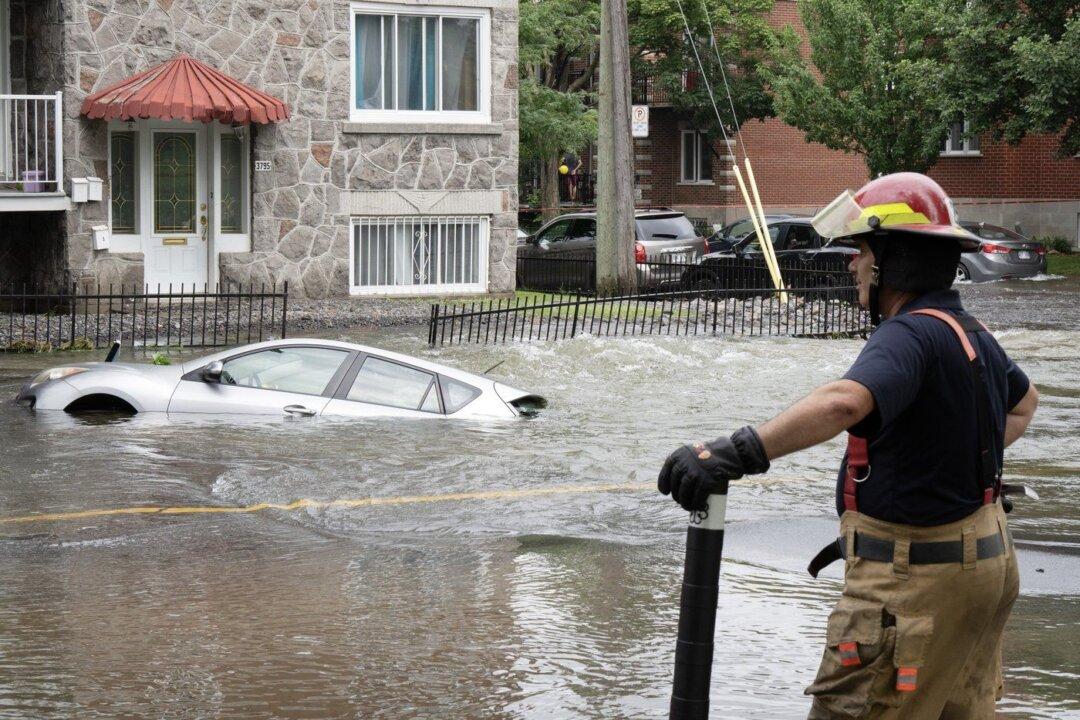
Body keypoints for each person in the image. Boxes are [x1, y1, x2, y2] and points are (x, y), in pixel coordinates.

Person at [658, 173, 1039, 719]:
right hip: (983, 572)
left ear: (890, 260)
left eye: (859, 251)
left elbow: (842, 403)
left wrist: (737, 450)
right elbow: (1024, 405)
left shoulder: (906, 334)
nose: (850, 264)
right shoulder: (968, 329)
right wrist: (948, 454)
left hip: (912, 586)